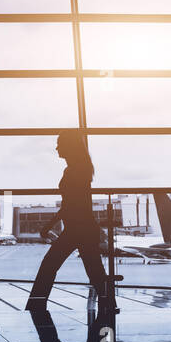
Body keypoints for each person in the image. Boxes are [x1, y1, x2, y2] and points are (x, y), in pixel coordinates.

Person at [28, 130, 112, 309]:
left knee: (50, 265)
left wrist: (49, 225)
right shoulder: (80, 169)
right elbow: (72, 204)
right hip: (82, 227)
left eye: (60, 143)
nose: (57, 147)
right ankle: (108, 303)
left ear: (69, 146)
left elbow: (70, 204)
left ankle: (36, 304)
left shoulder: (75, 170)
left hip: (77, 228)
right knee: (94, 270)